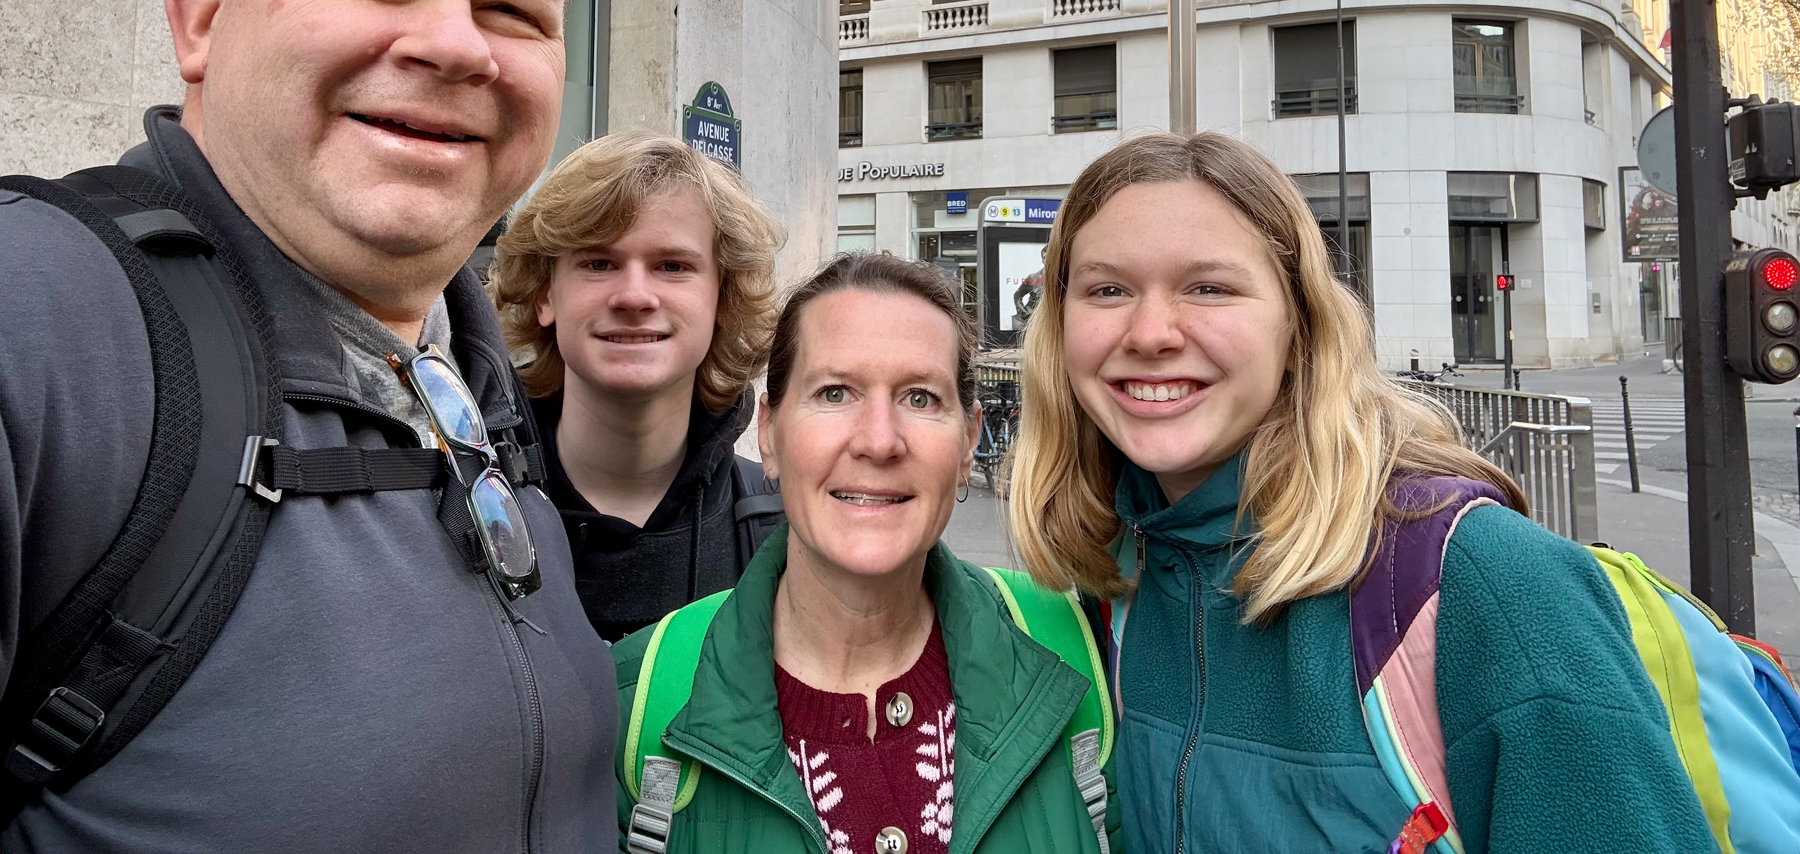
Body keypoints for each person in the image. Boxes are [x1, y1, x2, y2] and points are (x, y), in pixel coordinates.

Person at [0, 0, 615, 850]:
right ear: (202, 14)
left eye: (513, 8)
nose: (457, 46)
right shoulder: (36, 323)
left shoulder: (486, 390)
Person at [1007, 131, 1721, 854]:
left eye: (1209, 287)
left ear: (1300, 323)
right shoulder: (1108, 589)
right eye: (1106, 289)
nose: (1151, 332)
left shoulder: (1490, 586)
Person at [610, 253, 1119, 854]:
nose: (879, 440)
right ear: (769, 433)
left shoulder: (1071, 651)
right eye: (834, 393)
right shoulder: (640, 695)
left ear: (968, 440)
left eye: (921, 398)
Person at [488, 132, 785, 641]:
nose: (633, 295)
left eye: (672, 266)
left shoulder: (786, 537)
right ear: (544, 295)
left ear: (722, 301)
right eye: (598, 263)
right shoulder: (460, 516)